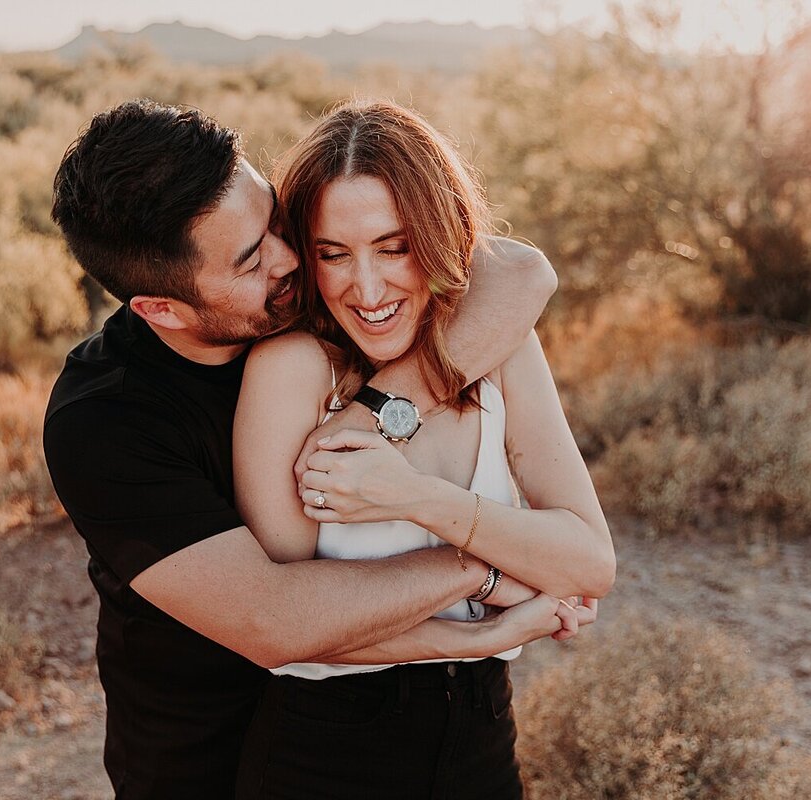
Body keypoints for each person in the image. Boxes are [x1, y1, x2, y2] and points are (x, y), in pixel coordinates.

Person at [43, 98, 564, 799]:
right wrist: (480, 575)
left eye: (277, 222)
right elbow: (275, 620)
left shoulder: (329, 303)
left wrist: (381, 408)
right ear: (161, 308)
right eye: (254, 259)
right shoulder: (104, 423)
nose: (291, 259)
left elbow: (519, 271)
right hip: (203, 754)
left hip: (422, 730)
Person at [231, 100, 614, 798]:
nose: (367, 288)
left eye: (394, 246)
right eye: (332, 254)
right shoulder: (293, 371)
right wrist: (491, 582)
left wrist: (417, 498)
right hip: (325, 752)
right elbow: (291, 625)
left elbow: (590, 561)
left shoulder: (501, 348)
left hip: (481, 731)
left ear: (440, 235)